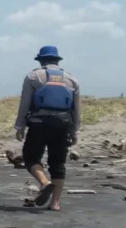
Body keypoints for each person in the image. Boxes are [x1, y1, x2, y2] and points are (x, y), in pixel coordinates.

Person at [15, 45, 81, 212]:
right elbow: (76, 109)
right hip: (62, 123)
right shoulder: (71, 79)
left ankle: (44, 182)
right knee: (58, 163)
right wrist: (74, 131)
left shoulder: (33, 76)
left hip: (39, 123)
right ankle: (55, 203)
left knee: (30, 157)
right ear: (57, 60)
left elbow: (25, 103)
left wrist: (20, 126)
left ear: (41, 60)